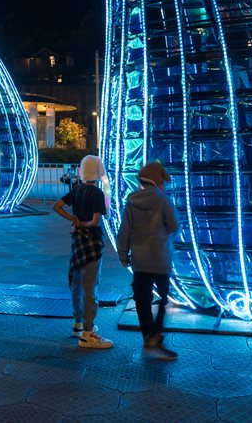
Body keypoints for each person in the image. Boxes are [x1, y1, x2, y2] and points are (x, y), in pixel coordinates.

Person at [117, 162, 179, 360]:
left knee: (142, 300)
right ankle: (156, 336)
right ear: (158, 182)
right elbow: (174, 225)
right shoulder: (163, 201)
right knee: (163, 298)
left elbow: (124, 230)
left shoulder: (131, 202)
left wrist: (123, 254)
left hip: (140, 261)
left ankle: (148, 337)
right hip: (160, 259)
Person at [53, 154, 112, 349]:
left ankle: (77, 324)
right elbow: (95, 221)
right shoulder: (97, 193)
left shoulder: (76, 189)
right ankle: (88, 332)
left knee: (77, 283)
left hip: (77, 242)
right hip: (92, 242)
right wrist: (84, 224)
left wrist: (74, 220)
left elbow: (57, 206)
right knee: (90, 286)